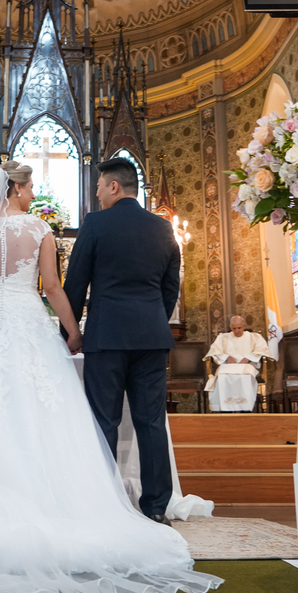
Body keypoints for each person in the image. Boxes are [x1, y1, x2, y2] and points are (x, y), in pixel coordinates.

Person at [0, 161, 219, 593]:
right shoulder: (79, 230)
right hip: (122, 331)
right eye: (30, 186)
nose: (33, 193)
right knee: (142, 421)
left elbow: (46, 284)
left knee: (13, 408)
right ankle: (147, 506)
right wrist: (82, 328)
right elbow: (71, 287)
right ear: (16, 188)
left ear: (109, 186)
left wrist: (83, 327)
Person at [64, 157, 182, 523]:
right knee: (151, 422)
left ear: (114, 186)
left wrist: (70, 333)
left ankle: (105, 504)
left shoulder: (96, 224)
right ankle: (155, 507)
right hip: (151, 337)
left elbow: (76, 283)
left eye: (99, 187)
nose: (97, 194)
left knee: (104, 421)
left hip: (107, 336)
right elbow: (170, 288)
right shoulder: (164, 228)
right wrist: (151, 322)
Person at [205, 315, 270, 412]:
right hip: (228, 366)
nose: (237, 331)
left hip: (247, 366)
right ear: (230, 328)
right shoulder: (223, 338)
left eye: (239, 328)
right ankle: (226, 409)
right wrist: (226, 357)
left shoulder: (254, 337)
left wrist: (249, 357)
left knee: (246, 376)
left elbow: (262, 350)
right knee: (221, 375)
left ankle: (246, 408)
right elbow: (214, 351)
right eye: (234, 328)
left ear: (244, 326)